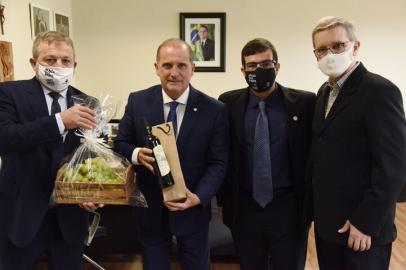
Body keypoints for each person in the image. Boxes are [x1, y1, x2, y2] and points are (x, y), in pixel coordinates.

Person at [114, 38, 228, 270]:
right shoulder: (138, 101)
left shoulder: (214, 110)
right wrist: (136, 154)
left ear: (193, 69)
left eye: (181, 65)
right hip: (151, 211)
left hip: (193, 209)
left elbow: (218, 162)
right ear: (156, 68)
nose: (174, 73)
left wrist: (198, 197)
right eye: (167, 65)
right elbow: (120, 143)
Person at [307, 16, 406, 270]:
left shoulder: (380, 92)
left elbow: (393, 169)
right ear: (315, 54)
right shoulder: (324, 93)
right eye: (322, 49)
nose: (329, 54)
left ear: (355, 46)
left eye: (338, 46)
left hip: (362, 231)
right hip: (329, 227)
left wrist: (365, 223)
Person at [0, 31, 101, 270]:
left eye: (65, 61)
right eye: (50, 59)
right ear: (34, 64)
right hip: (21, 215)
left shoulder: (89, 103)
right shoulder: (8, 93)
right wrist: (59, 121)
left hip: (70, 218)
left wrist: (94, 193)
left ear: (74, 65)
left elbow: (92, 158)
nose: (59, 66)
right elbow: (5, 139)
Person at [217, 38, 316, 270]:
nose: (258, 70)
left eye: (265, 64)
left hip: (288, 206)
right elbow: (223, 154)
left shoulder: (304, 102)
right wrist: (223, 203)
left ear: (277, 67)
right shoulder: (228, 103)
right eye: (251, 66)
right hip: (244, 207)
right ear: (242, 70)